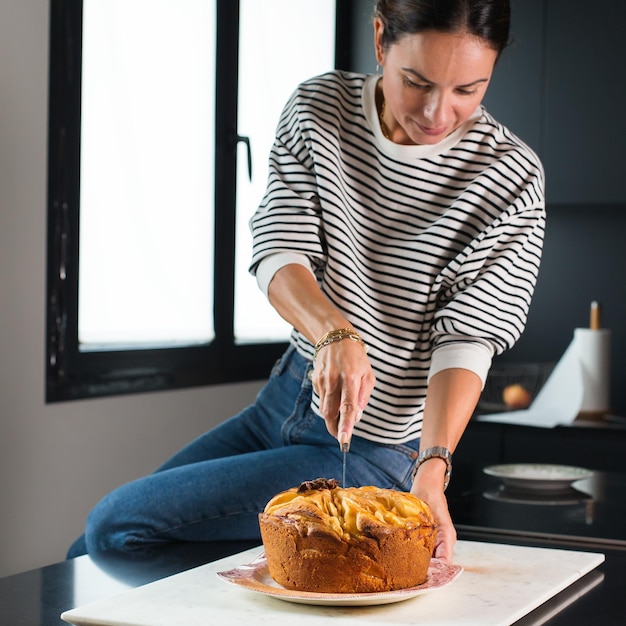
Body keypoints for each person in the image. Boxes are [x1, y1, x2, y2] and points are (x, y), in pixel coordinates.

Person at [68, 0, 544, 564]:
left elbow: (467, 338)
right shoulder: (322, 109)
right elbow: (278, 248)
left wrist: (432, 469)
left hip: (375, 448)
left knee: (115, 527)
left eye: (469, 89)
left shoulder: (509, 176)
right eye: (417, 82)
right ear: (379, 39)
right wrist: (333, 333)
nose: (439, 113)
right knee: (90, 551)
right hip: (283, 403)